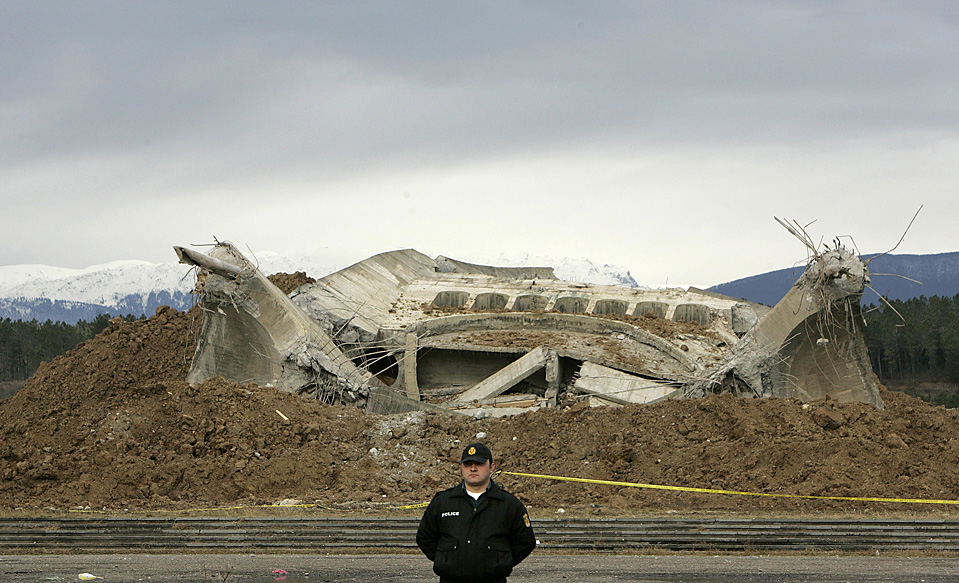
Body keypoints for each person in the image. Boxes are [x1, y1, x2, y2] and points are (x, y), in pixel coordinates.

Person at [416, 442, 536, 583]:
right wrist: (446, 560)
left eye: (479, 464)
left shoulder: (508, 504)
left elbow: (525, 542)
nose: (473, 468)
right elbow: (425, 537)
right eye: (468, 464)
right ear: (461, 467)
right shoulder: (443, 502)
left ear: (491, 467)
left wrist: (500, 562)